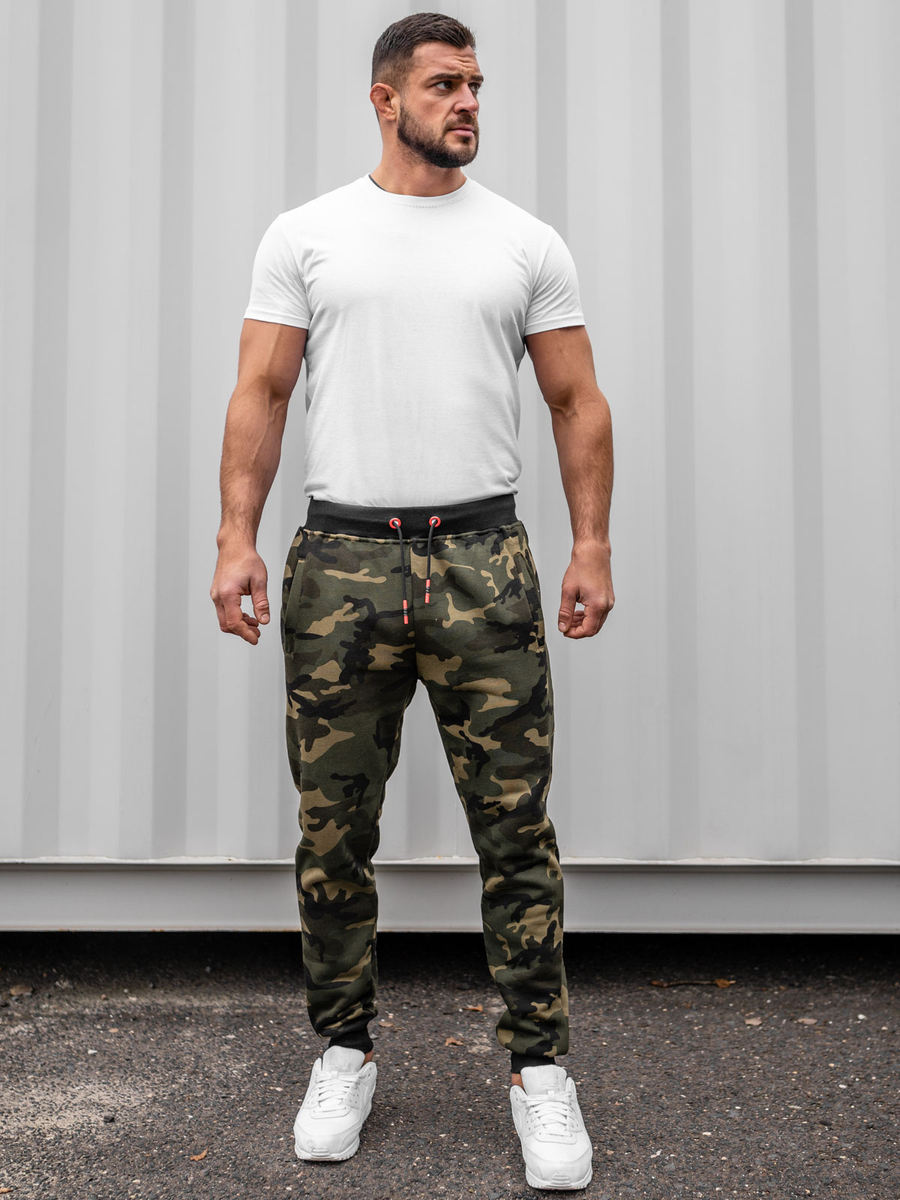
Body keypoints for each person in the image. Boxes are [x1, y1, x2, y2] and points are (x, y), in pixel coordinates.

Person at [211, 10, 614, 1192]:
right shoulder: (308, 236)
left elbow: (577, 402)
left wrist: (592, 544)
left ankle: (539, 1072)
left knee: (515, 831)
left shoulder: (525, 242)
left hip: (484, 558)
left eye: (476, 83)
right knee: (334, 829)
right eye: (444, 85)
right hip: (341, 564)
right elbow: (261, 392)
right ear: (385, 99)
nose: (468, 102)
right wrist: (235, 538)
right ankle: (343, 1051)